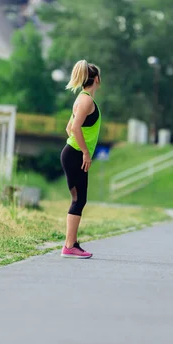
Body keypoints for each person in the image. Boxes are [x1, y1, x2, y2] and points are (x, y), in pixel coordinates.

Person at [59, 60, 102, 259]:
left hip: (72, 153)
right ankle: (70, 245)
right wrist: (84, 151)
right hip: (75, 154)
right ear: (96, 80)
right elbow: (74, 129)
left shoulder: (82, 99)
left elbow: (69, 128)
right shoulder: (86, 101)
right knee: (79, 200)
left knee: (79, 199)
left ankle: (71, 244)